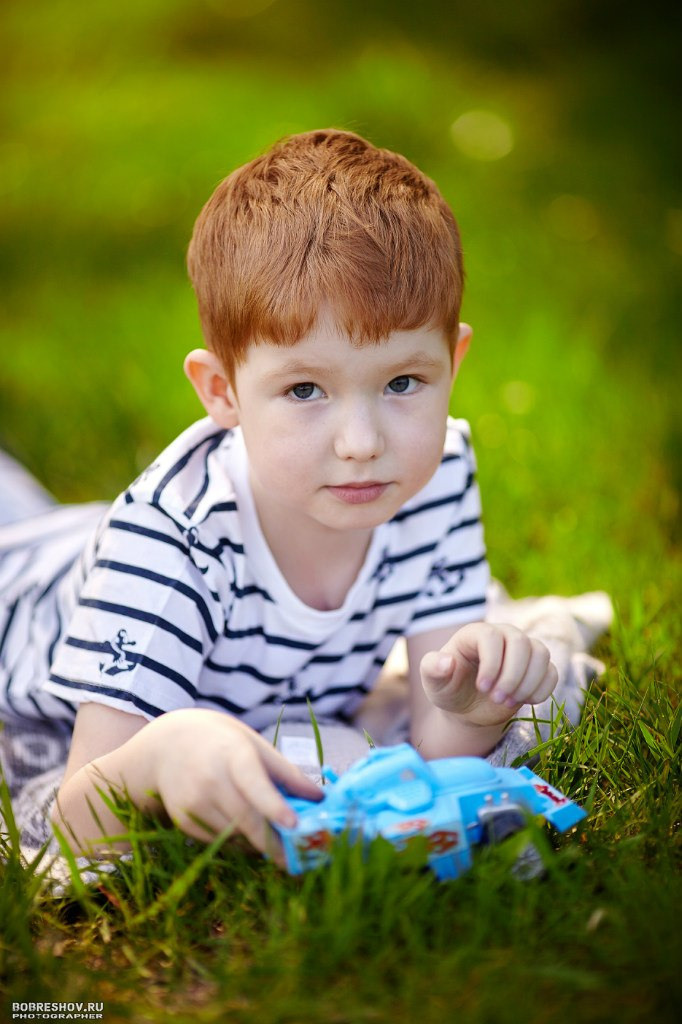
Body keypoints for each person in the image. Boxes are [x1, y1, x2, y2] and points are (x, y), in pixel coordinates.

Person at [0, 129, 571, 862]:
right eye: (305, 389)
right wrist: (159, 754)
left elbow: (437, 741)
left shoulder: (438, 477)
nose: (362, 441)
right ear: (222, 391)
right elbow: (77, 821)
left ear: (452, 363)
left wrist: (472, 707)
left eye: (404, 382)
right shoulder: (174, 544)